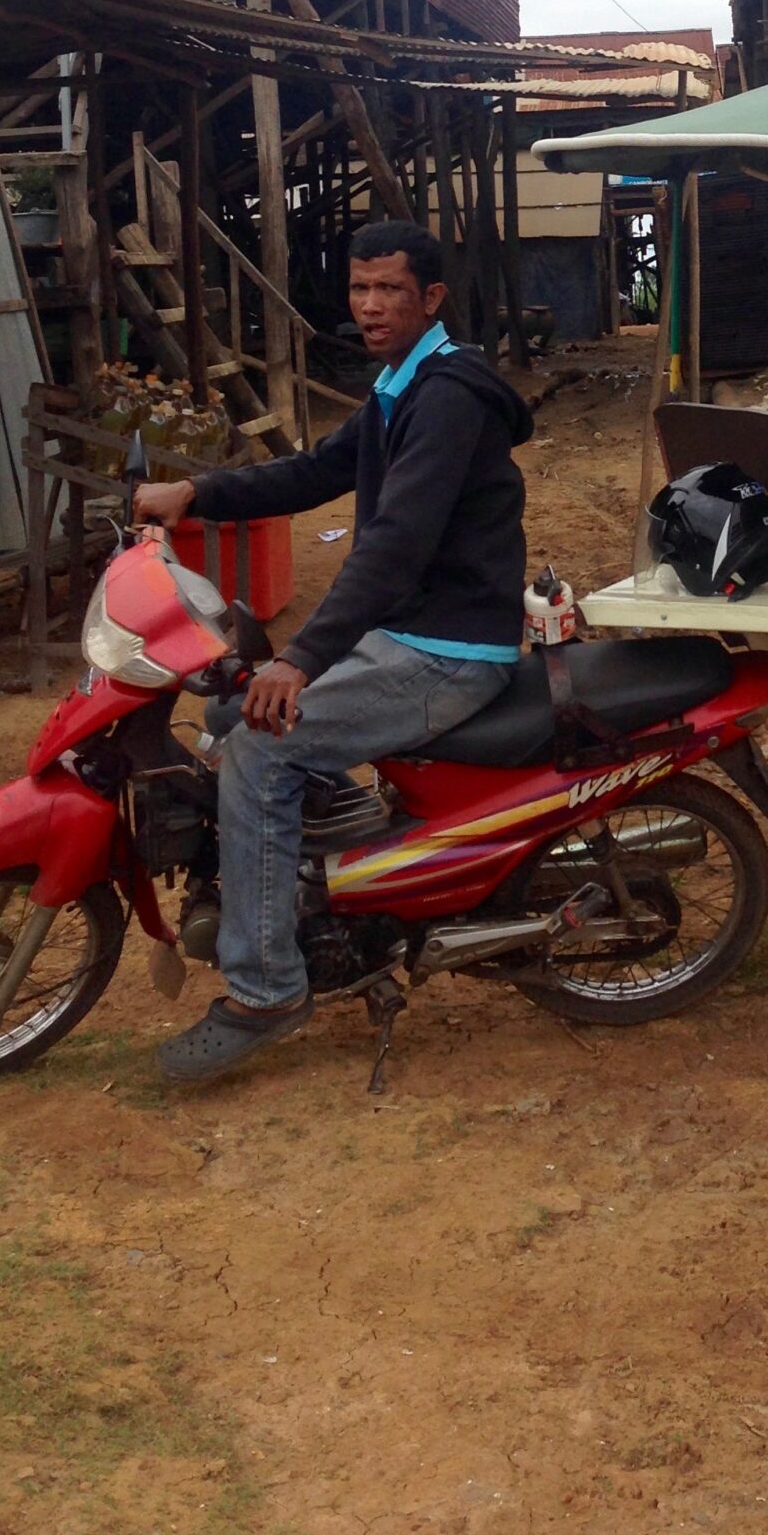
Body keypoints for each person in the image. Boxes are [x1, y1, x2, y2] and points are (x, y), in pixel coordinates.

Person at [133, 219, 534, 1082]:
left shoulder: (450, 396)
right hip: (409, 632)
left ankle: (268, 987)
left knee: (255, 753)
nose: (369, 305)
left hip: (451, 648)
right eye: (359, 288)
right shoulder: (400, 383)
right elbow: (312, 473)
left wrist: (302, 657)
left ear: (429, 298)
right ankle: (323, 875)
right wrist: (194, 489)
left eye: (389, 289)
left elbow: (394, 546)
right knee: (231, 705)